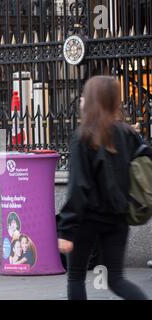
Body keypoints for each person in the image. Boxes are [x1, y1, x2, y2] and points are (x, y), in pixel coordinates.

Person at [57, 75, 148, 300]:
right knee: (116, 279)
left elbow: (78, 188)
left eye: (84, 96)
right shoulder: (128, 134)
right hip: (118, 218)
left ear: (92, 100)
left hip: (86, 220)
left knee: (76, 276)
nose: (80, 100)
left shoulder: (83, 137)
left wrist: (66, 230)